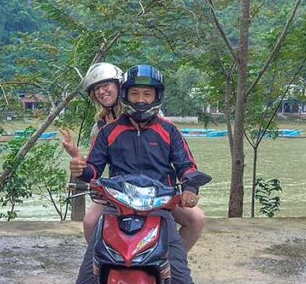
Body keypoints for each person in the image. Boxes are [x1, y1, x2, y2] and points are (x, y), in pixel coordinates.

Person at [47, 64, 222, 284]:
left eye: (147, 94)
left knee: (178, 271)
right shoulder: (109, 132)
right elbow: (93, 171)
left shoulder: (168, 131)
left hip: (158, 210)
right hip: (118, 208)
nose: (141, 100)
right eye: (136, 93)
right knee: (92, 264)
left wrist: (191, 187)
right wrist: (81, 169)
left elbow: (186, 165)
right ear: (126, 95)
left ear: (156, 97)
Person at [59, 62, 206, 252]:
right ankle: (100, 263)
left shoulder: (163, 125)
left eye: (106, 86)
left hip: (158, 193)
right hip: (120, 191)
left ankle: (171, 258)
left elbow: (184, 163)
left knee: (196, 219)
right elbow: (94, 167)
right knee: (90, 222)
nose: (102, 91)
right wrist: (80, 163)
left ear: (120, 86)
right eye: (97, 89)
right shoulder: (102, 129)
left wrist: (190, 186)